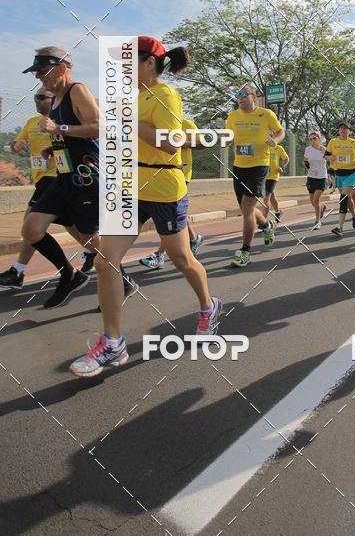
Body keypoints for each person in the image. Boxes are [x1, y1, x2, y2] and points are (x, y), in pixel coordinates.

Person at [70, 36, 222, 377]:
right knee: (106, 261)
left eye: (128, 61)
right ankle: (113, 343)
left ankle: (208, 307)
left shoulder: (166, 95)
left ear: (149, 62)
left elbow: (170, 146)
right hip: (128, 185)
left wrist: (129, 124)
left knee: (182, 259)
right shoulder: (132, 97)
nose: (122, 68)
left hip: (164, 186)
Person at [19, 47, 135, 310]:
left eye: (43, 72)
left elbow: (101, 127)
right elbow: (73, 135)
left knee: (90, 238)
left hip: (86, 180)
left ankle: (123, 281)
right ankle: (69, 275)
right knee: (31, 228)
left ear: (61, 68)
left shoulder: (77, 90)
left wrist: (58, 128)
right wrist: (55, 146)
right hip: (63, 178)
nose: (40, 79)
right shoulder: (57, 98)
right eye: (37, 75)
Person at [0, 89, 78, 290]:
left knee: (31, 223)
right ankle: (102, 257)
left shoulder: (62, 122)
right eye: (36, 97)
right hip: (42, 179)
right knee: (72, 225)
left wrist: (54, 151)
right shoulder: (32, 123)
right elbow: (20, 140)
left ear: (54, 100)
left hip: (55, 179)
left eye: (42, 97)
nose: (37, 100)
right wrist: (17, 145)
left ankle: (19, 271)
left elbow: (76, 144)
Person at [225, 84, 285, 267]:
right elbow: (228, 136)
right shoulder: (233, 116)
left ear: (254, 96)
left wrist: (274, 140)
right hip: (239, 166)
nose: (240, 98)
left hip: (259, 165)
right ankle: (267, 226)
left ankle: (245, 251)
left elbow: (280, 131)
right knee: (246, 210)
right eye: (237, 95)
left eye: (244, 94)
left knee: (247, 205)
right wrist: (225, 141)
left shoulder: (266, 114)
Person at [138, 116, 204, 270]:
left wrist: (183, 143)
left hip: (179, 174)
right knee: (175, 215)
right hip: (154, 176)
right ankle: (194, 238)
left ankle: (160, 255)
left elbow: (201, 144)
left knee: (168, 218)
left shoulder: (187, 124)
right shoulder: (153, 123)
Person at [325, 123, 355, 237]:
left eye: (345, 128)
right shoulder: (333, 142)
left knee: (343, 199)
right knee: (347, 199)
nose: (343, 130)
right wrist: (329, 157)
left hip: (351, 173)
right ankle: (354, 216)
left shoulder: (353, 142)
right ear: (338, 130)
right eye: (341, 128)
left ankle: (340, 228)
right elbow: (326, 155)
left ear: (349, 131)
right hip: (339, 173)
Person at [303, 131, 328, 228]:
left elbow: (331, 159)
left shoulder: (324, 149)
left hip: (322, 177)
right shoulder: (308, 149)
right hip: (311, 177)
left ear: (319, 139)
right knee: (313, 202)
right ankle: (321, 208)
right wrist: (307, 165)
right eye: (311, 139)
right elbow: (305, 160)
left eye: (314, 138)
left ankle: (317, 221)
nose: (312, 141)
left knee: (316, 199)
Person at [265, 142, 289, 224]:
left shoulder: (278, 148)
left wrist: (281, 167)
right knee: (272, 196)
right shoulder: (261, 147)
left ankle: (263, 221)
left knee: (266, 198)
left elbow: (286, 159)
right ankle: (278, 212)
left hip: (273, 176)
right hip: (262, 176)